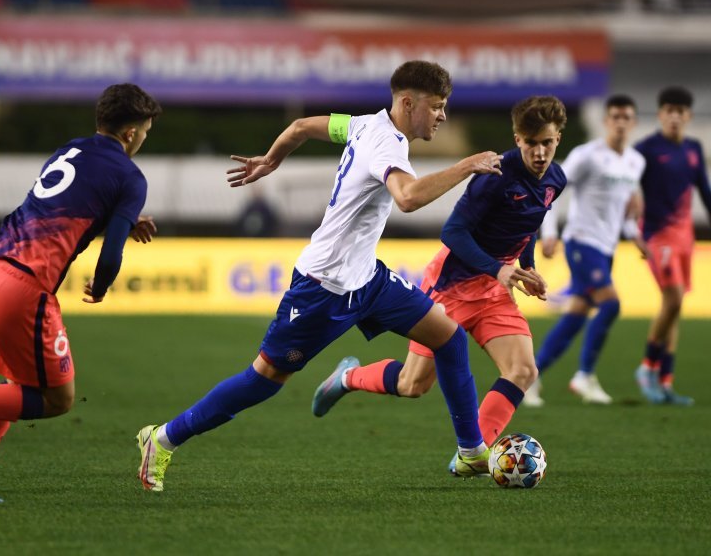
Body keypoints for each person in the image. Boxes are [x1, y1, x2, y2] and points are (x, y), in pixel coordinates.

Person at [135, 60, 509, 492]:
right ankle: (162, 438)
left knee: (448, 335)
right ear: (408, 102)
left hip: (367, 280)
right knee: (264, 380)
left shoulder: (362, 125)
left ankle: (470, 451)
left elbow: (299, 126)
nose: (442, 115)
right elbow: (406, 198)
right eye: (438, 106)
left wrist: (271, 160)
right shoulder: (385, 145)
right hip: (323, 288)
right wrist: (467, 166)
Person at [0, 83, 161, 503]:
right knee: (57, 398)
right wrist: (100, 287)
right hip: (24, 287)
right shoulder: (130, 177)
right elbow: (111, 255)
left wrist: (120, 216)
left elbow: (63, 205)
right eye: (146, 131)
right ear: (132, 133)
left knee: (17, 385)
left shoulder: (70, 150)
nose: (144, 139)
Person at [311, 95, 566, 474]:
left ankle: (472, 454)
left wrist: (526, 268)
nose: (540, 152)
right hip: (452, 286)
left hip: (494, 291)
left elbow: (528, 225)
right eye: (532, 143)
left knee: (523, 370)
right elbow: (454, 233)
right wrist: (499, 269)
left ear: (558, 138)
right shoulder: (494, 178)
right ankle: (348, 376)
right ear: (517, 139)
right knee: (413, 385)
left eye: (547, 142)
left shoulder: (556, 180)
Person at [528, 95, 647, 406]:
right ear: (606, 121)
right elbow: (550, 191)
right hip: (582, 242)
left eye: (626, 117)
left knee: (576, 317)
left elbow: (627, 209)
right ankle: (584, 376)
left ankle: (530, 377)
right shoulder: (587, 155)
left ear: (633, 123)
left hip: (607, 248)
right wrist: (550, 232)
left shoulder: (635, 162)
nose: (620, 123)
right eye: (615, 117)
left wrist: (635, 235)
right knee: (610, 305)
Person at [634, 86, 711, 405]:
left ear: (688, 116)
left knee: (674, 308)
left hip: (684, 236)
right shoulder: (646, 149)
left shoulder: (693, 148)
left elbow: (704, 191)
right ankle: (647, 367)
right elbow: (630, 188)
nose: (675, 117)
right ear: (661, 114)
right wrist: (632, 231)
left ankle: (666, 382)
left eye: (681, 112)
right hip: (656, 235)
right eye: (669, 111)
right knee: (675, 297)